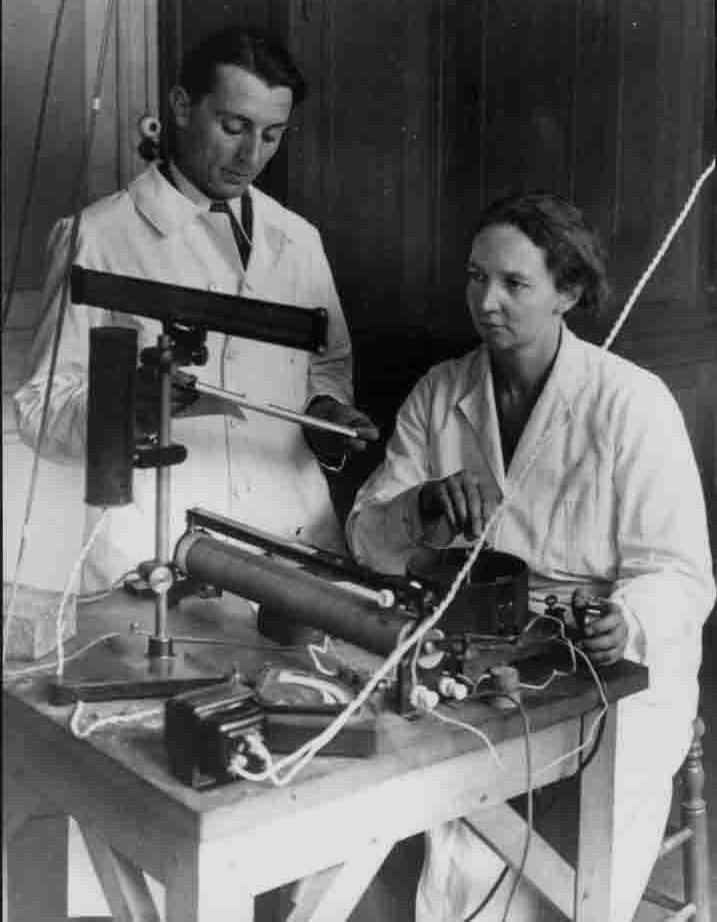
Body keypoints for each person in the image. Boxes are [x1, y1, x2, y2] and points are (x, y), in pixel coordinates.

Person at [346, 192, 715, 921]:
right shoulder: (441, 393)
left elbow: (678, 572)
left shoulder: (631, 404)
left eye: (514, 283)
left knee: (588, 852)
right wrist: (424, 507)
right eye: (476, 277)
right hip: (483, 644)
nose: (486, 302)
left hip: (613, 664)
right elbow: (365, 541)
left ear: (566, 293)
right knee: (470, 834)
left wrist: (626, 623)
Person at [14, 25, 378, 590]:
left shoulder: (298, 240)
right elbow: (40, 409)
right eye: (233, 127)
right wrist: (125, 411)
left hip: (292, 537)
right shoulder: (97, 237)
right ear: (182, 107)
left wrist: (329, 415)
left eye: (271, 135)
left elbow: (326, 368)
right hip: (154, 547)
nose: (250, 155)